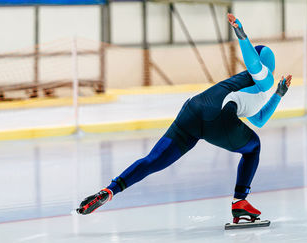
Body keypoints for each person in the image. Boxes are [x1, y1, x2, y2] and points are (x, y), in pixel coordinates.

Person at [77, 14, 292, 225]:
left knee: (153, 160)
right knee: (253, 147)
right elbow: (253, 64)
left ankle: (110, 190)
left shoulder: (252, 90)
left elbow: (260, 119)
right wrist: (242, 35)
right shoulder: (264, 79)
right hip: (217, 116)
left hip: (192, 110)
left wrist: (279, 94)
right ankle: (240, 201)